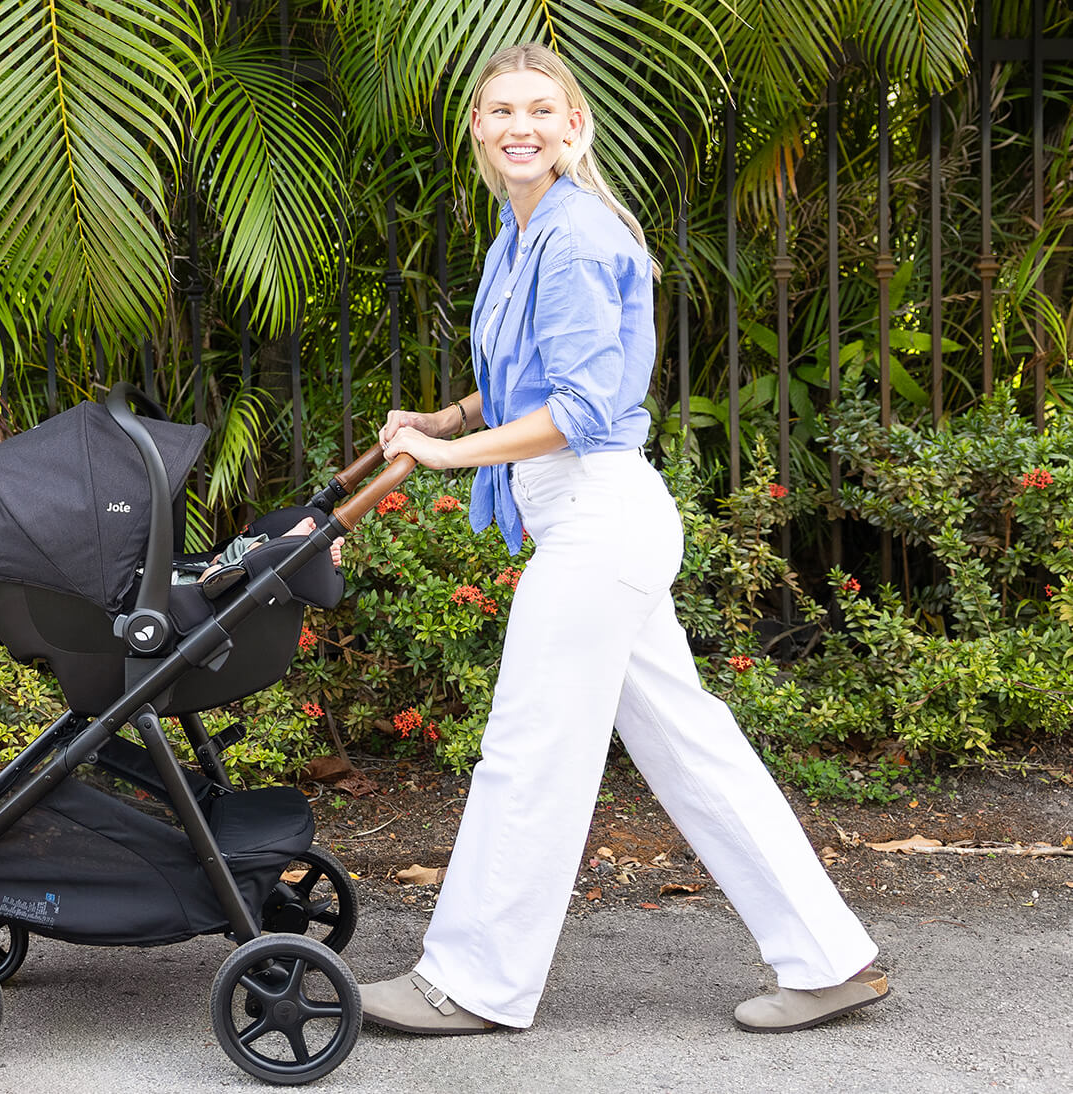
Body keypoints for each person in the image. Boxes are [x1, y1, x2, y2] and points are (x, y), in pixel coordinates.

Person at [361, 43, 888, 1037]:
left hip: (596, 513)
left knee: (527, 748)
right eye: (499, 110)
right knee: (691, 747)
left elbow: (584, 404)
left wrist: (455, 455)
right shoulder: (518, 233)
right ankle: (829, 958)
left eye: (539, 110)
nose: (519, 126)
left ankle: (470, 981)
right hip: (591, 512)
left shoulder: (575, 233)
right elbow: (530, 376)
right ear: (477, 129)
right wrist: (445, 417)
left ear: (572, 127)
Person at [173, 516, 342, 586]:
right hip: (180, 590)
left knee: (235, 549)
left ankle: (286, 547)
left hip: (181, 570)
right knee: (222, 572)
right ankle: (288, 548)